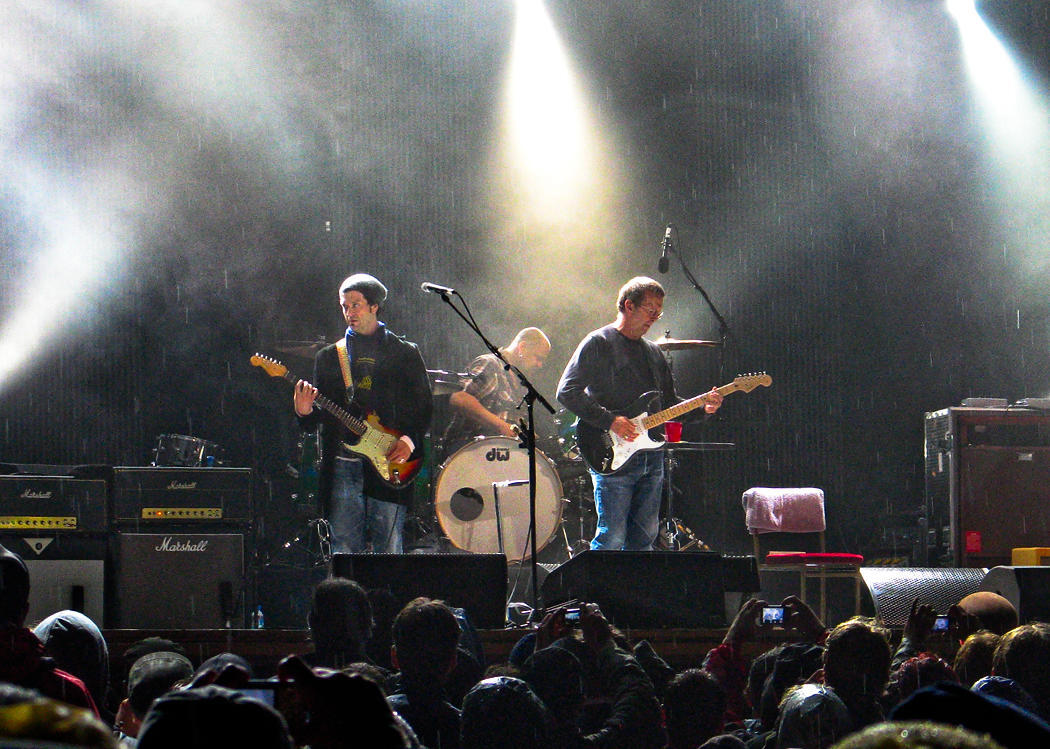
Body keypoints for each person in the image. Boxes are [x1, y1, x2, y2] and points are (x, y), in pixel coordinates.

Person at [556, 276, 722, 551]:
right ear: (628, 305)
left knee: (644, 540)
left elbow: (669, 406)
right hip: (610, 450)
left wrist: (702, 409)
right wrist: (611, 421)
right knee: (612, 537)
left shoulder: (653, 352)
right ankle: (600, 594)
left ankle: (635, 594)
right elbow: (566, 391)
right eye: (650, 310)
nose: (655, 318)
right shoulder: (598, 342)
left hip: (651, 454)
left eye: (659, 311)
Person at [294, 273, 433, 554]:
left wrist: (408, 440)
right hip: (344, 464)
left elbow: (424, 406)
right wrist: (304, 411)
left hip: (389, 459)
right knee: (343, 548)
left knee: (389, 548)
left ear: (374, 306)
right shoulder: (330, 356)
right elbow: (316, 422)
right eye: (345, 306)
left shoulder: (404, 352)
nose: (349, 312)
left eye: (356, 304)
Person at [441, 327, 552, 454]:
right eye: (538, 358)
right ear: (522, 347)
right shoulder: (491, 364)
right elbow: (459, 398)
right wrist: (501, 425)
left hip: (500, 455)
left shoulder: (519, 380)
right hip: (469, 451)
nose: (540, 365)